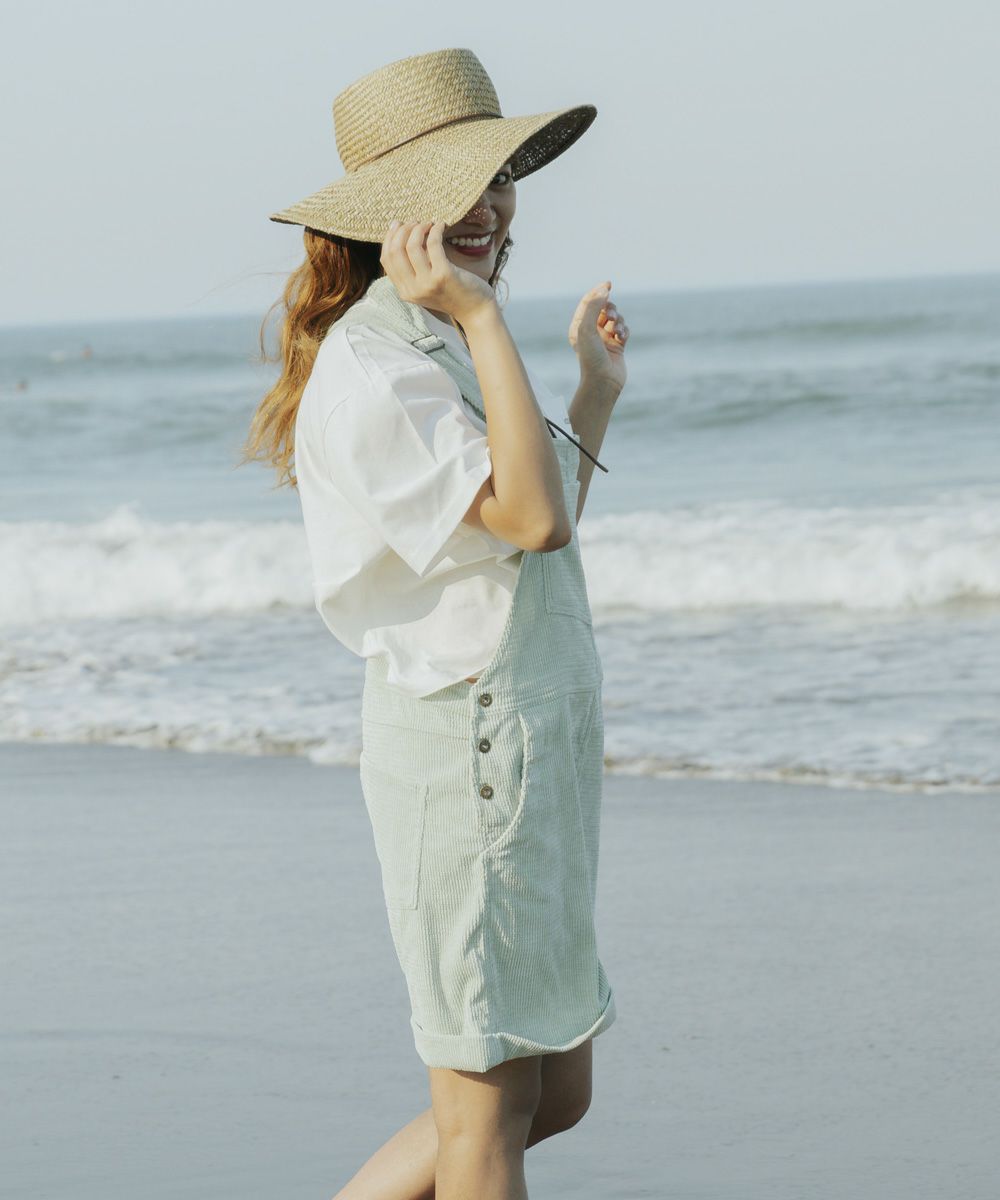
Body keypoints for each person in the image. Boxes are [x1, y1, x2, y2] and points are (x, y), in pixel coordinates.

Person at [244, 47, 630, 1200]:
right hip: (468, 756)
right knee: (487, 1117)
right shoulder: (380, 365)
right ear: (383, 212)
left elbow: (528, 533)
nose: (485, 205)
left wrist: (591, 396)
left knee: (552, 1094)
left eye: (497, 176)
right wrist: (482, 315)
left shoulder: (439, 338)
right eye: (451, 183)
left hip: (530, 753)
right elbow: (533, 521)